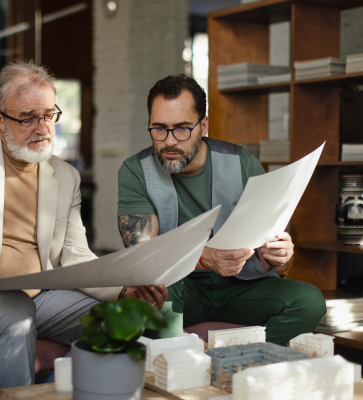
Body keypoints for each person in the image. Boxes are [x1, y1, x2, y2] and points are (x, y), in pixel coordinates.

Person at [0, 61, 167, 398]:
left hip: (39, 299)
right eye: (27, 118)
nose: (42, 128)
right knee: (13, 310)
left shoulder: (65, 175)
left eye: (49, 115)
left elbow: (75, 255)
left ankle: (65, 389)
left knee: (119, 316)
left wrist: (125, 291)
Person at [117, 74, 326, 345]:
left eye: (182, 128)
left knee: (308, 301)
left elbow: (277, 255)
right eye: (159, 129)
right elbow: (143, 256)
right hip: (181, 289)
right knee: (159, 289)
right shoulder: (135, 171)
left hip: (243, 287)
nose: (169, 141)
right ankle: (175, 372)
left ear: (203, 126)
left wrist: (281, 256)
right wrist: (204, 258)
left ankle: (244, 367)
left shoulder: (241, 163)